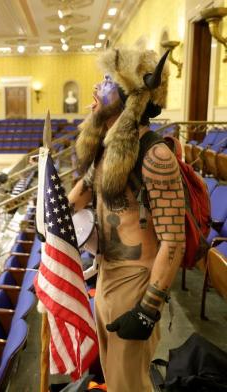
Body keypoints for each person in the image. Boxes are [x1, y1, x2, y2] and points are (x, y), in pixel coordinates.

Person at [68, 48, 185, 392]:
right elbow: (85, 189)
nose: (96, 87)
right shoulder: (109, 148)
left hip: (136, 282)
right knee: (111, 371)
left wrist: (148, 308)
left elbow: (173, 241)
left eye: (107, 82)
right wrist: (54, 219)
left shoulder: (156, 156)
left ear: (130, 96)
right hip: (105, 272)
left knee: (128, 382)